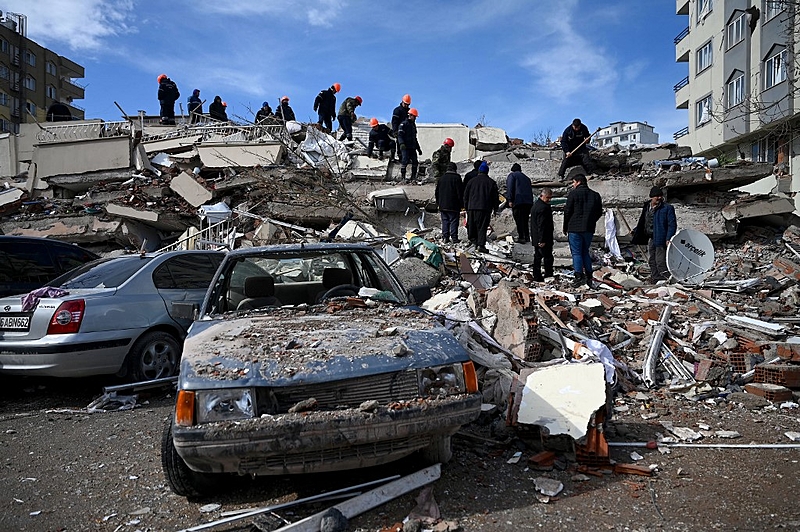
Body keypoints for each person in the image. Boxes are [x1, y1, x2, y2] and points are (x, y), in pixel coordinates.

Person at [563, 174, 603, 288]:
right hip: (589, 228)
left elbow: (568, 211)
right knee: (585, 251)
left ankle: (578, 276)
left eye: (573, 182)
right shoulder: (595, 195)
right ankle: (589, 275)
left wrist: (565, 226)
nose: (573, 184)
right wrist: (591, 221)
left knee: (576, 253)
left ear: (578, 182)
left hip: (574, 228)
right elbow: (599, 212)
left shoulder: (573, 194)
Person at [632, 186, 678, 283]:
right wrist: (636, 231)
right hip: (651, 238)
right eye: (656, 196)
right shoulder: (647, 207)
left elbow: (672, 224)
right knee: (652, 261)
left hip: (661, 238)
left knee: (660, 261)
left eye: (660, 196)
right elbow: (644, 222)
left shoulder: (667, 208)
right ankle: (656, 278)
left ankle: (666, 279)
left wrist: (669, 238)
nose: (659, 198)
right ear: (651, 197)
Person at [463, 161, 500, 253]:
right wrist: (495, 208)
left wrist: (466, 207)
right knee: (482, 227)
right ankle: (481, 245)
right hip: (485, 208)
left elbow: (466, 195)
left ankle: (473, 241)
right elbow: (495, 197)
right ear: (487, 172)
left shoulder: (471, 181)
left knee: (471, 225)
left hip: (472, 207)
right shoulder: (491, 182)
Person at [435, 162, 464, 243]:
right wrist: (461, 204)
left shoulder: (442, 178)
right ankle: (454, 238)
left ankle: (445, 237)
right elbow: (460, 192)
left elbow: (437, 192)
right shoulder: (457, 178)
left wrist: (438, 202)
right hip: (454, 205)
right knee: (454, 220)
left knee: (445, 221)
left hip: (443, 204)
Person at [530, 188, 554, 282]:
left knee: (538, 257)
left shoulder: (537, 205)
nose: (549, 200)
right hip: (543, 238)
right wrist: (542, 240)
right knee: (547, 257)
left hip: (537, 237)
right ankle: (547, 274)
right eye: (547, 197)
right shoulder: (543, 208)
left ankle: (537, 275)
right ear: (542, 196)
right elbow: (542, 225)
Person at [505, 163, 534, 243]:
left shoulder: (512, 176)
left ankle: (521, 237)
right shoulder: (526, 178)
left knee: (519, 220)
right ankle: (527, 236)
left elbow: (510, 188)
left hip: (518, 201)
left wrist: (510, 200)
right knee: (525, 220)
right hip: (528, 202)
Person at [397, 108, 423, 182]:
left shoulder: (413, 126)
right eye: (414, 117)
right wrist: (401, 144)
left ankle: (413, 177)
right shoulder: (403, 124)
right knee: (404, 161)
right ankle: (403, 178)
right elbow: (400, 135)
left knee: (415, 162)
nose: (414, 118)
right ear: (410, 115)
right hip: (405, 147)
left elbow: (415, 138)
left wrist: (418, 149)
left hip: (412, 147)